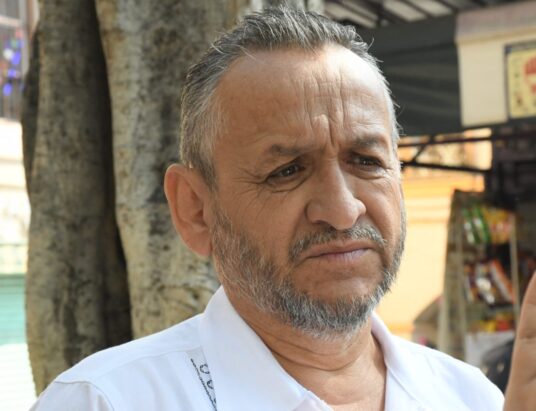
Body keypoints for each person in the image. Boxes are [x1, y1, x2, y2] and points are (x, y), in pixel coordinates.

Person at [31, 7, 535, 411]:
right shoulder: (108, 401)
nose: (342, 209)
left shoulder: (471, 397)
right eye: (287, 170)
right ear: (195, 210)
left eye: (366, 161)